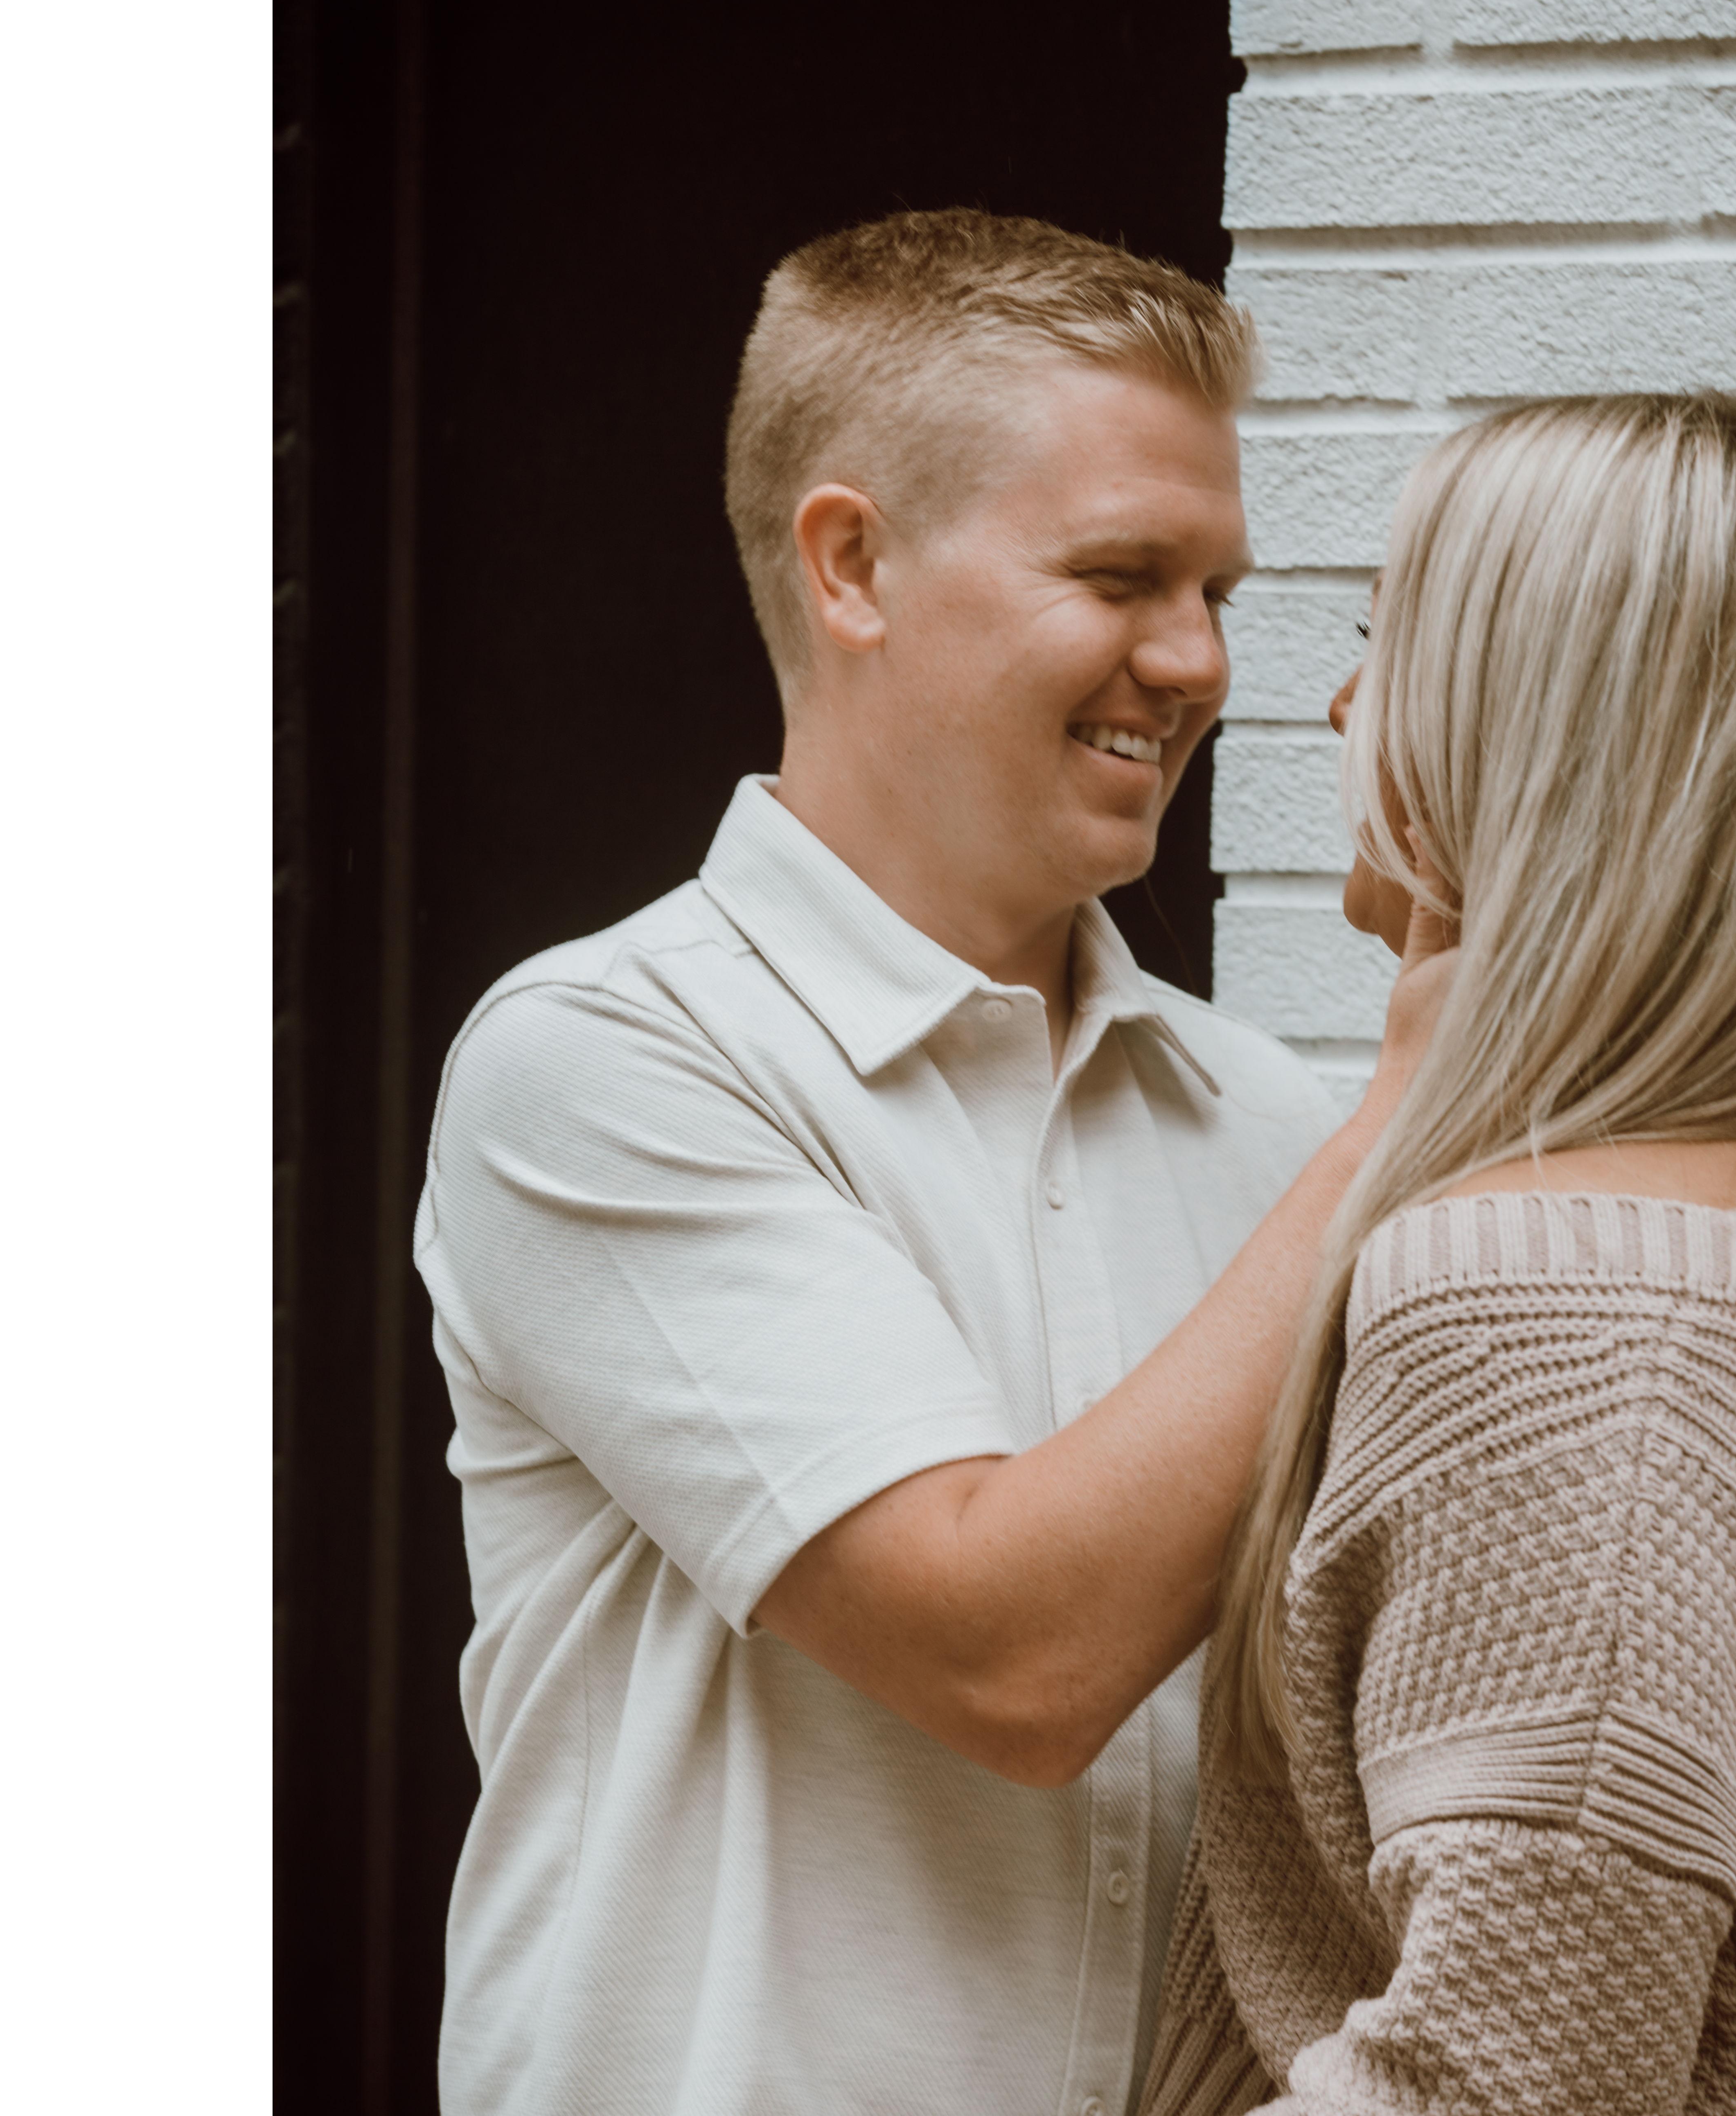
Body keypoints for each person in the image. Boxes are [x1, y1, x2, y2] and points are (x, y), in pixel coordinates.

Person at [413, 210, 1448, 2114]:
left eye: (1217, 589)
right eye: (1121, 576)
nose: (1197, 659)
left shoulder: (1269, 1124)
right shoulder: (603, 1061)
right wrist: (1419, 1107)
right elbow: (1012, 1659)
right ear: (854, 565)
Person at [1143, 393, 1736, 2116]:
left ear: (1540, 731)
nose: (1338, 704)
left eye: (1391, 642)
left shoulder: (1563, 1316)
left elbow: (1492, 2082)